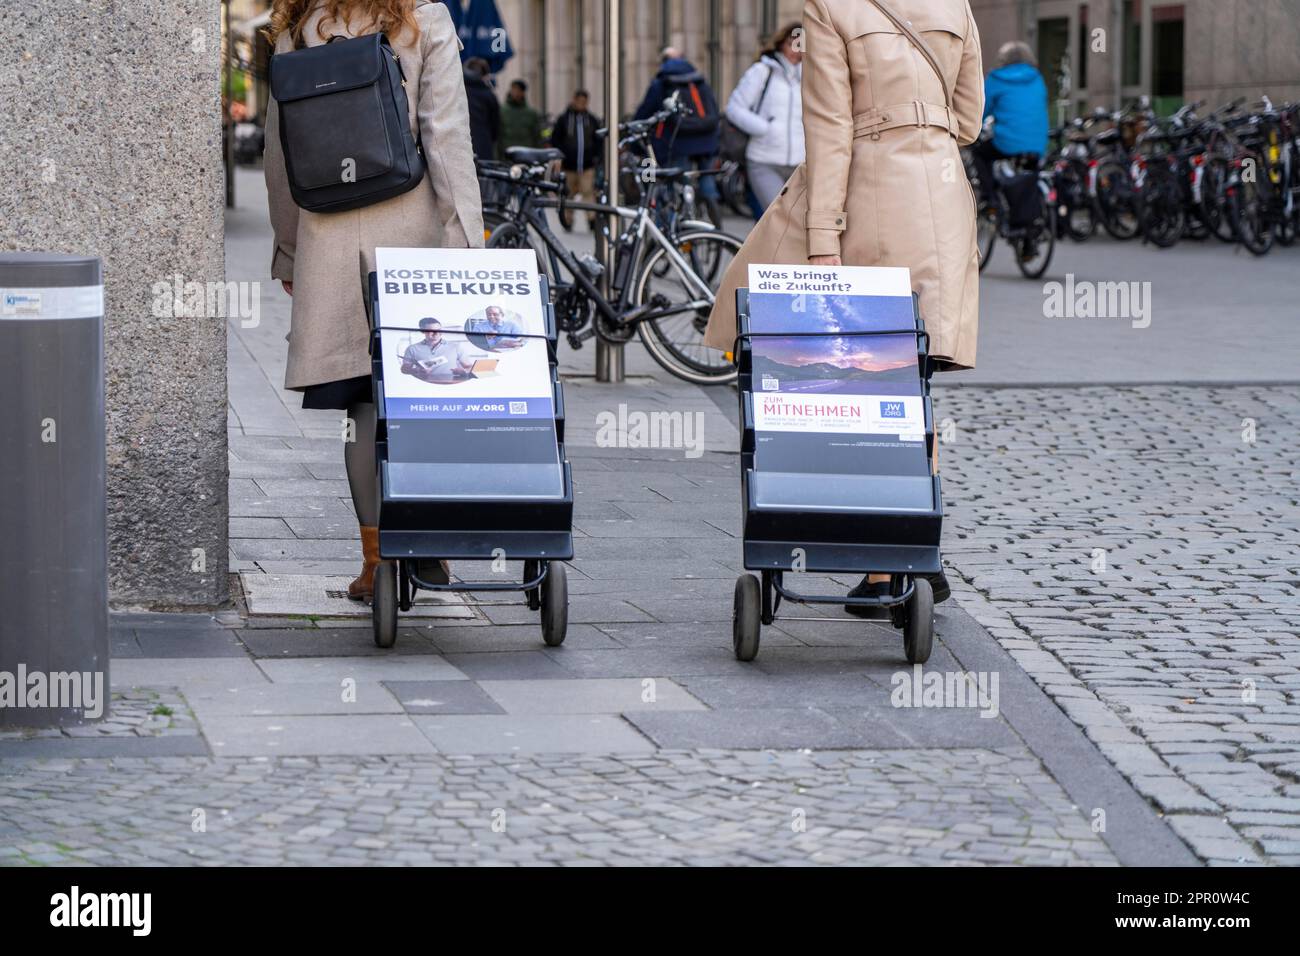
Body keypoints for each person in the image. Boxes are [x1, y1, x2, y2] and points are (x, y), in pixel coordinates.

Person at [703, 0, 985, 612]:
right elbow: (969, 119)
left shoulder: (829, 8)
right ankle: (916, 545)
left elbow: (829, 131)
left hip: (870, 197)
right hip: (940, 194)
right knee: (913, 377)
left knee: (857, 374)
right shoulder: (954, 5)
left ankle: (880, 563)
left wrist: (821, 241)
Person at [264, 0, 483, 601]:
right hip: (410, 238)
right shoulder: (422, 20)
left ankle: (377, 561)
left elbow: (279, 159)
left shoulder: (297, 32)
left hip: (326, 240)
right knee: (423, 400)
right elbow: (446, 139)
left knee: (361, 410)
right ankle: (430, 548)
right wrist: (467, 244)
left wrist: (289, 251)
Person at [725, 22, 805, 210]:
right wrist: (763, 128)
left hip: (801, 164)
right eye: (791, 43)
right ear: (781, 44)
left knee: (798, 221)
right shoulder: (762, 71)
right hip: (764, 161)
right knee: (777, 214)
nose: (795, 50)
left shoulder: (811, 76)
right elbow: (734, 108)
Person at [633, 48, 722, 204]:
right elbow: (714, 110)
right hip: (706, 141)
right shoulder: (699, 80)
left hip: (677, 143)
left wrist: (634, 130)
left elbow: (645, 111)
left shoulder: (661, 83)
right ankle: (714, 217)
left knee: (678, 183)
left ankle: (681, 218)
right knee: (707, 182)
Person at [971, 41, 1050, 201]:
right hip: (1038, 144)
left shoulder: (996, 78)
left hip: (1008, 143)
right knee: (1031, 180)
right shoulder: (1037, 78)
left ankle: (989, 197)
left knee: (979, 153)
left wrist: (972, 129)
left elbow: (981, 111)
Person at [549, 89, 602, 232]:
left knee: (588, 192)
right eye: (579, 101)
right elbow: (556, 139)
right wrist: (559, 157)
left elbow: (598, 141)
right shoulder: (564, 119)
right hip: (568, 165)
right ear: (574, 100)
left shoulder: (591, 120)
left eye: (584, 102)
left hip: (587, 164)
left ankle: (591, 219)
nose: (581, 104)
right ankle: (567, 219)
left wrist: (596, 157)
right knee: (569, 193)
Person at [401, 317, 475, 380]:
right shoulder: (412, 349)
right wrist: (416, 370)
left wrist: (464, 371)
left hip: (451, 385)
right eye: (431, 330)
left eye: (439, 329)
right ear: (422, 331)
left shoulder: (456, 346)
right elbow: (404, 369)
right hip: (423, 386)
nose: (436, 333)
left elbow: (469, 366)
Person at [462, 56, 500, 160]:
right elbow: (495, 125)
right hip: (484, 145)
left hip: (460, 144)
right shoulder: (488, 95)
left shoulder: (458, 92)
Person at [498, 79, 544, 157]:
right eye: (514, 89)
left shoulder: (531, 113)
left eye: (519, 90)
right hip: (507, 156)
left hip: (526, 156)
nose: (516, 93)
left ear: (523, 93)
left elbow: (537, 137)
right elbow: (498, 136)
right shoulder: (502, 111)